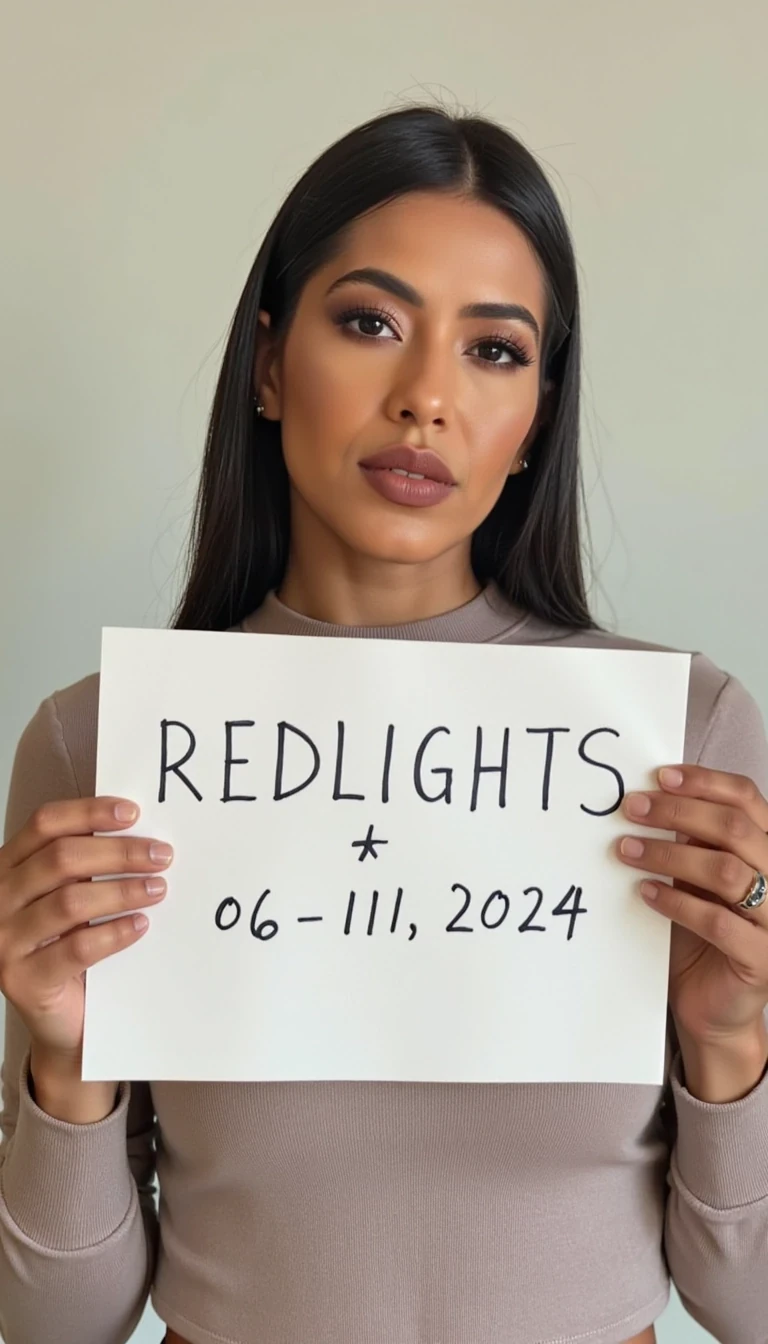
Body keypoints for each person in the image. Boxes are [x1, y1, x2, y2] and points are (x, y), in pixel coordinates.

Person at [1, 102, 767, 1344]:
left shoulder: (686, 736)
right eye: (371, 323)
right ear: (267, 362)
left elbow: (750, 1306)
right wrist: (64, 1062)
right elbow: (55, 1323)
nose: (426, 400)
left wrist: (730, 1047)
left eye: (494, 350)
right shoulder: (105, 747)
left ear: (535, 424)